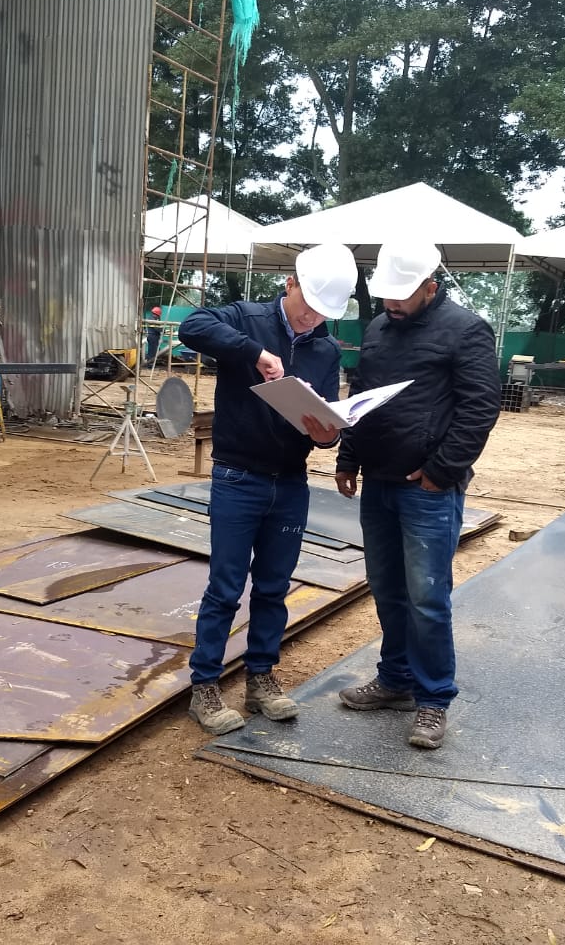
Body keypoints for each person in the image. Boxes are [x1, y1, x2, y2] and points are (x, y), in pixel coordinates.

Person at [178, 242, 356, 735]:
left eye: (324, 313)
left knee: (275, 587)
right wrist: (253, 353)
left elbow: (323, 418)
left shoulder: (325, 348)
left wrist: (328, 434)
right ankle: (206, 686)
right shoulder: (247, 320)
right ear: (290, 284)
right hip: (238, 476)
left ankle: (261, 677)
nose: (313, 319)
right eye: (308, 307)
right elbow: (191, 327)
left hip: (290, 481)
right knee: (226, 586)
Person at [334, 240, 501, 750]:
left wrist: (441, 470)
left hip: (426, 489)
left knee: (427, 598)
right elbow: (362, 398)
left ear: (431, 286)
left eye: (402, 295)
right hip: (379, 481)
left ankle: (433, 701)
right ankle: (395, 680)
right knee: (387, 589)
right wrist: (348, 457)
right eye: (385, 295)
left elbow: (480, 407)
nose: (391, 304)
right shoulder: (378, 328)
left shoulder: (466, 330)